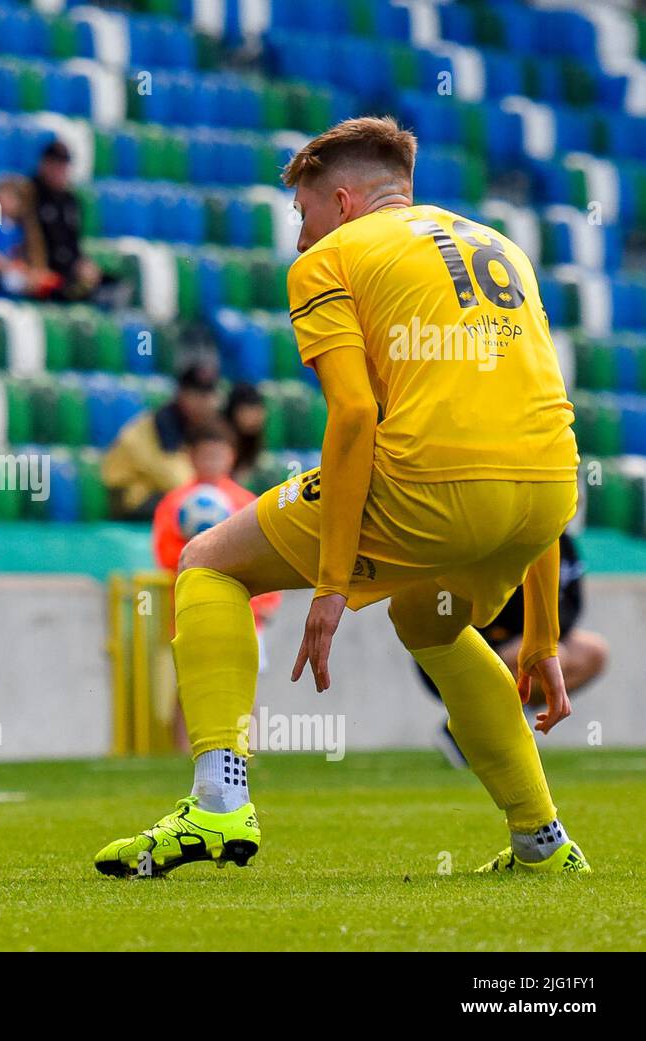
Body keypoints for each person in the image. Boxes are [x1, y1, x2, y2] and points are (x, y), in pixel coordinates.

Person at [95, 116, 590, 879]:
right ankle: (542, 840)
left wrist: (331, 583)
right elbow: (539, 418)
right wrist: (545, 638)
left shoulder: (334, 257)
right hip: (545, 492)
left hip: (432, 485)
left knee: (209, 563)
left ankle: (217, 804)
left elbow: (354, 414)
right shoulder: (503, 247)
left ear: (345, 200)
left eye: (304, 214)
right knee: (428, 616)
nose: (301, 238)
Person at [418, 531, 607, 767]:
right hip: (466, 647)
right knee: (541, 652)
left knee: (593, 651)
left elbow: (573, 602)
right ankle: (468, 726)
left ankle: (502, 722)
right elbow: (507, 614)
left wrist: (549, 630)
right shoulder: (506, 532)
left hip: (526, 639)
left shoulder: (562, 542)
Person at [151, 420, 281, 633]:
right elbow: (167, 554)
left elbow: (265, 552)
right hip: (191, 613)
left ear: (232, 456)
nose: (212, 463)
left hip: (244, 616)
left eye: (218, 456)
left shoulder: (247, 502)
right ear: (191, 456)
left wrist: (266, 600)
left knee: (247, 665)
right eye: (206, 456)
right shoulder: (174, 503)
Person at [100, 358, 221, 520]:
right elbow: (174, 479)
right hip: (133, 497)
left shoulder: (198, 424)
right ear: (181, 394)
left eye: (208, 395)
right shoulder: (161, 425)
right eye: (197, 395)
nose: (205, 402)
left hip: (161, 490)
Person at [31, 140, 123, 305]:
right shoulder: (29, 194)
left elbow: (72, 242)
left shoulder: (70, 200)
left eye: (63, 166)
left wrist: (82, 263)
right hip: (43, 269)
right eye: (56, 165)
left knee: (114, 283)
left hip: (69, 269)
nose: (60, 171)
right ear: (44, 164)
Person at [0, 176, 60, 299]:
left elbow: (23, 258)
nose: (2, 201)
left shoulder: (19, 230)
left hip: (13, 289)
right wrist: (8, 268)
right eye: (0, 196)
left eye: (10, 198)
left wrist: (30, 272)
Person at [224, 383, 266, 484]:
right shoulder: (221, 437)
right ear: (234, 411)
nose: (255, 417)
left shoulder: (254, 437)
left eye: (258, 410)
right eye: (249, 410)